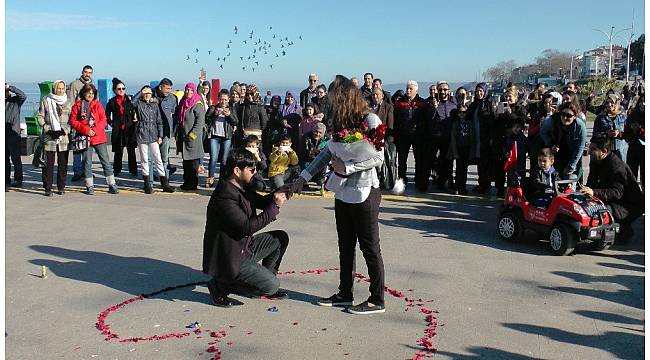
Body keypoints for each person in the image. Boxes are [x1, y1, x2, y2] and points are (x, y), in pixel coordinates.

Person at [289, 75, 386, 315]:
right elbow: (326, 154)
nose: (331, 104)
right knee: (345, 245)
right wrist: (304, 177)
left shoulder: (370, 120)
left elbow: (379, 157)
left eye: (334, 99)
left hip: (365, 190)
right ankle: (345, 293)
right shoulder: (340, 122)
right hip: (342, 191)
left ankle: (377, 299)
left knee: (369, 246)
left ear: (346, 98)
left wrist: (349, 168)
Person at [202, 148, 290, 308]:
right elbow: (247, 227)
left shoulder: (242, 187)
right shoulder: (225, 195)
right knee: (272, 286)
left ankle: (263, 282)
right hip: (230, 257)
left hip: (245, 247)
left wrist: (283, 191)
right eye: (251, 170)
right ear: (237, 170)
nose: (255, 173)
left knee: (280, 238)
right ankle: (221, 285)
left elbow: (263, 203)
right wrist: (275, 207)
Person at [581, 135, 644, 243]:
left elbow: (617, 192)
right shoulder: (596, 160)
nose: (589, 152)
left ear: (604, 151)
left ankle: (623, 229)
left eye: (593, 149)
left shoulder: (616, 166)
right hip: (615, 199)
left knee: (602, 210)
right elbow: (591, 181)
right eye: (590, 148)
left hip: (629, 204)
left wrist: (593, 192)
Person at [69, 84, 119, 195]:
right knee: (87, 162)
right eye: (88, 92)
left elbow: (103, 120)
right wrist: (86, 130)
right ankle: (89, 185)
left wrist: (95, 130)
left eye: (92, 93)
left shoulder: (98, 105)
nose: (90, 95)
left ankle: (111, 184)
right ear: (84, 93)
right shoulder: (77, 106)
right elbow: (73, 121)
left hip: (99, 137)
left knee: (105, 161)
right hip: (84, 138)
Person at [132, 85, 175, 194]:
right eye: (145, 93)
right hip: (142, 134)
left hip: (153, 135)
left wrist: (160, 135)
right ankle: (147, 185)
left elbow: (159, 121)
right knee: (145, 160)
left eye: (149, 93)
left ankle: (164, 184)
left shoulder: (155, 105)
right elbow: (132, 102)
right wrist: (140, 91)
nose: (147, 95)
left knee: (158, 159)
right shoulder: (139, 104)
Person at [36, 80, 71, 196]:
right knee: (48, 165)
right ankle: (48, 188)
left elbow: (72, 120)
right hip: (49, 137)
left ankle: (61, 187)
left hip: (63, 137)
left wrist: (65, 130)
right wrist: (47, 128)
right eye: (58, 88)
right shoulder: (46, 100)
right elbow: (40, 116)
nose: (60, 90)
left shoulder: (68, 102)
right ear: (54, 88)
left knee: (63, 164)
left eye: (62, 88)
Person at [540, 102, 587, 180]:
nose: (565, 118)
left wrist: (571, 166)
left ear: (575, 116)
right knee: (554, 179)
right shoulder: (552, 120)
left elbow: (580, 147)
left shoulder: (580, 126)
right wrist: (551, 144)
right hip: (557, 154)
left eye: (569, 116)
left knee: (571, 179)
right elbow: (543, 132)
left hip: (572, 154)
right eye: (563, 114)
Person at [393, 80, 427, 184]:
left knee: (419, 159)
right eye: (407, 88)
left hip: (418, 135)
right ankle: (402, 178)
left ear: (416, 90)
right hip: (403, 135)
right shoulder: (400, 102)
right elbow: (396, 119)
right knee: (402, 159)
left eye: (410, 89)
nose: (408, 90)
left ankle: (418, 179)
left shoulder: (422, 102)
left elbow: (425, 119)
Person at [175, 83, 205, 191]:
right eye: (187, 90)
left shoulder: (197, 104)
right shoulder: (183, 102)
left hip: (193, 139)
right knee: (186, 163)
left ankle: (192, 184)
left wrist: (192, 136)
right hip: (183, 138)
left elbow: (200, 123)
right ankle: (186, 182)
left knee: (193, 164)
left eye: (191, 90)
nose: (189, 92)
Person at [427, 81, 457, 192]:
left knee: (448, 161)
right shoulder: (431, 104)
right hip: (435, 137)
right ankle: (438, 181)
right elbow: (429, 120)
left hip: (448, 137)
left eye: (445, 90)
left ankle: (449, 181)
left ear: (449, 91)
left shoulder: (453, 105)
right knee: (435, 161)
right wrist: (434, 107)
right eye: (440, 90)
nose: (443, 92)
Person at [205, 90, 238, 186]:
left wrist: (228, 116)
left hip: (226, 137)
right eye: (221, 99)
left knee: (224, 159)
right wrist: (215, 114)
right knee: (214, 158)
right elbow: (207, 119)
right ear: (218, 99)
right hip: (214, 136)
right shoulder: (213, 108)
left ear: (228, 100)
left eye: (225, 100)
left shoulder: (231, 109)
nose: (223, 102)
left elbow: (235, 122)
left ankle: (222, 180)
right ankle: (210, 178)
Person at [467, 83, 495, 195]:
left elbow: (493, 120)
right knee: (479, 161)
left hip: (486, 137)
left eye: (481, 91)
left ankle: (486, 184)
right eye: (477, 91)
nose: (479, 93)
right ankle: (481, 183)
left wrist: (492, 137)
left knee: (486, 162)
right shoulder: (474, 105)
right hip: (476, 137)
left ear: (485, 91)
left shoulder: (489, 103)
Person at [105, 78, 137, 177]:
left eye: (123, 88)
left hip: (129, 128)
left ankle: (133, 170)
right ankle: (116, 169)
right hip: (118, 129)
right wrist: (111, 124)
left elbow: (136, 109)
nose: (122, 90)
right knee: (118, 151)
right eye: (119, 89)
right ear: (115, 90)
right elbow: (106, 115)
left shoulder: (129, 100)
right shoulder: (112, 102)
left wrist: (135, 118)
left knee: (131, 151)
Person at [68, 65, 94, 182]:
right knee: (77, 148)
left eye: (90, 72)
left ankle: (86, 171)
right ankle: (77, 172)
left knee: (87, 148)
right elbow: (71, 101)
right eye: (86, 72)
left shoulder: (92, 85)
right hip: (78, 121)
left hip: (89, 121)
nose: (87, 74)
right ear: (82, 72)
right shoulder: (75, 84)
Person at [153, 78, 178, 178]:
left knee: (164, 157)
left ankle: (165, 179)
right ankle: (152, 176)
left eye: (170, 89)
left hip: (166, 131)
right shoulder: (150, 95)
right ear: (160, 87)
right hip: (152, 132)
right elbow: (134, 103)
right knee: (152, 158)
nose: (169, 91)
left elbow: (175, 115)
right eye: (167, 88)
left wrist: (174, 129)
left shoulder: (172, 98)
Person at [593, 94, 628, 163]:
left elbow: (628, 134)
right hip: (605, 152)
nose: (609, 105)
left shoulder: (623, 117)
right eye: (607, 102)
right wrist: (606, 134)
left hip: (620, 152)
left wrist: (619, 133)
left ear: (616, 103)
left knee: (620, 172)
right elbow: (595, 135)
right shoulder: (600, 117)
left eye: (612, 102)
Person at [447, 107, 473, 195]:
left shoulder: (469, 123)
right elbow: (453, 138)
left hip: (466, 148)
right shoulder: (456, 124)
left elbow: (472, 137)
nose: (462, 114)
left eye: (464, 112)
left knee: (464, 169)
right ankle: (457, 186)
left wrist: (471, 151)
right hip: (458, 148)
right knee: (458, 169)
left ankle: (463, 187)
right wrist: (454, 152)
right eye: (460, 112)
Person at [5, 84, 26, 190]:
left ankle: (18, 179)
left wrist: (11, 87)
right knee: (4, 160)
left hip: (13, 134)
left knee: (16, 159)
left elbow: (23, 96)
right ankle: (5, 179)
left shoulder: (15, 101)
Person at [299, 122, 329, 188]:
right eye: (316, 131)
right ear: (313, 130)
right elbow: (302, 151)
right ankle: (304, 180)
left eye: (320, 133)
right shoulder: (306, 137)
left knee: (324, 165)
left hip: (320, 159)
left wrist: (319, 152)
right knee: (304, 164)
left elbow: (327, 153)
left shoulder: (327, 140)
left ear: (323, 133)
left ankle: (320, 179)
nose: (317, 134)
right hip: (307, 159)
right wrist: (310, 152)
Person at [623, 96, 644, 189]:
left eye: (645, 102)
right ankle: (632, 198)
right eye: (641, 101)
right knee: (631, 176)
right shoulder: (633, 116)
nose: (642, 104)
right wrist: (621, 134)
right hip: (633, 149)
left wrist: (640, 130)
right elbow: (627, 135)